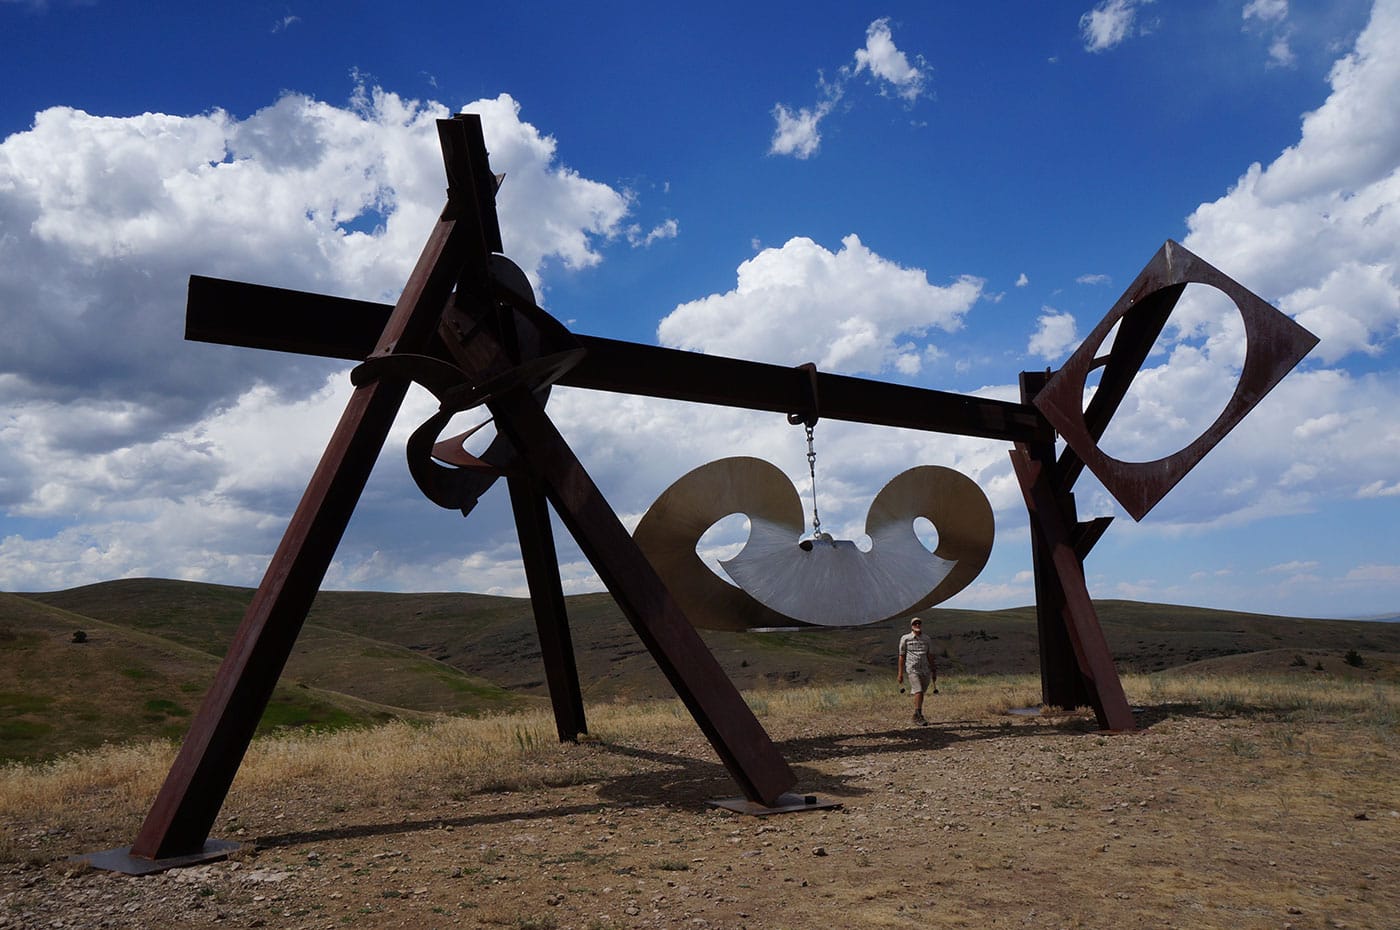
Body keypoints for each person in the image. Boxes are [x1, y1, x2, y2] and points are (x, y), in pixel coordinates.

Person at [897, 616, 937, 725]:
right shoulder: (905, 638)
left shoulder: (927, 639)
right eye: (915, 624)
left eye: (919, 623)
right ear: (911, 626)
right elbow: (901, 656)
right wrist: (900, 673)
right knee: (918, 691)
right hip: (912, 668)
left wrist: (934, 670)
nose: (917, 625)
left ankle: (915, 715)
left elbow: (930, 655)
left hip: (925, 669)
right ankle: (919, 715)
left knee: (921, 693)